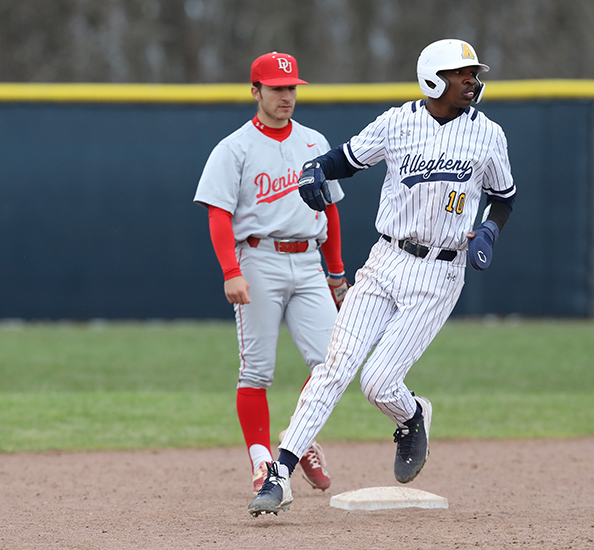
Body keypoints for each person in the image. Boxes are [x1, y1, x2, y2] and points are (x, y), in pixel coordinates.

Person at [248, 39, 516, 517]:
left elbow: (504, 196)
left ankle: (412, 415)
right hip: (385, 260)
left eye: (474, 73)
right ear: (434, 78)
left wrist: (491, 230)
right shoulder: (397, 123)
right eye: (463, 73)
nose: (473, 81)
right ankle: (280, 474)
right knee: (334, 368)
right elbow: (342, 161)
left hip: (439, 273)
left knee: (377, 382)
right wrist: (313, 171)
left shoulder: (489, 134)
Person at [194, 52, 350, 495]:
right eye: (277, 88)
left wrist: (336, 273)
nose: (287, 96)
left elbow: (330, 209)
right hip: (257, 259)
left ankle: (296, 440)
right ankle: (261, 462)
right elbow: (218, 215)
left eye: (292, 88)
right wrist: (231, 270)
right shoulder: (235, 147)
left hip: (308, 262)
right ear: (256, 91)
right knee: (257, 371)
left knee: (333, 364)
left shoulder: (314, 142)